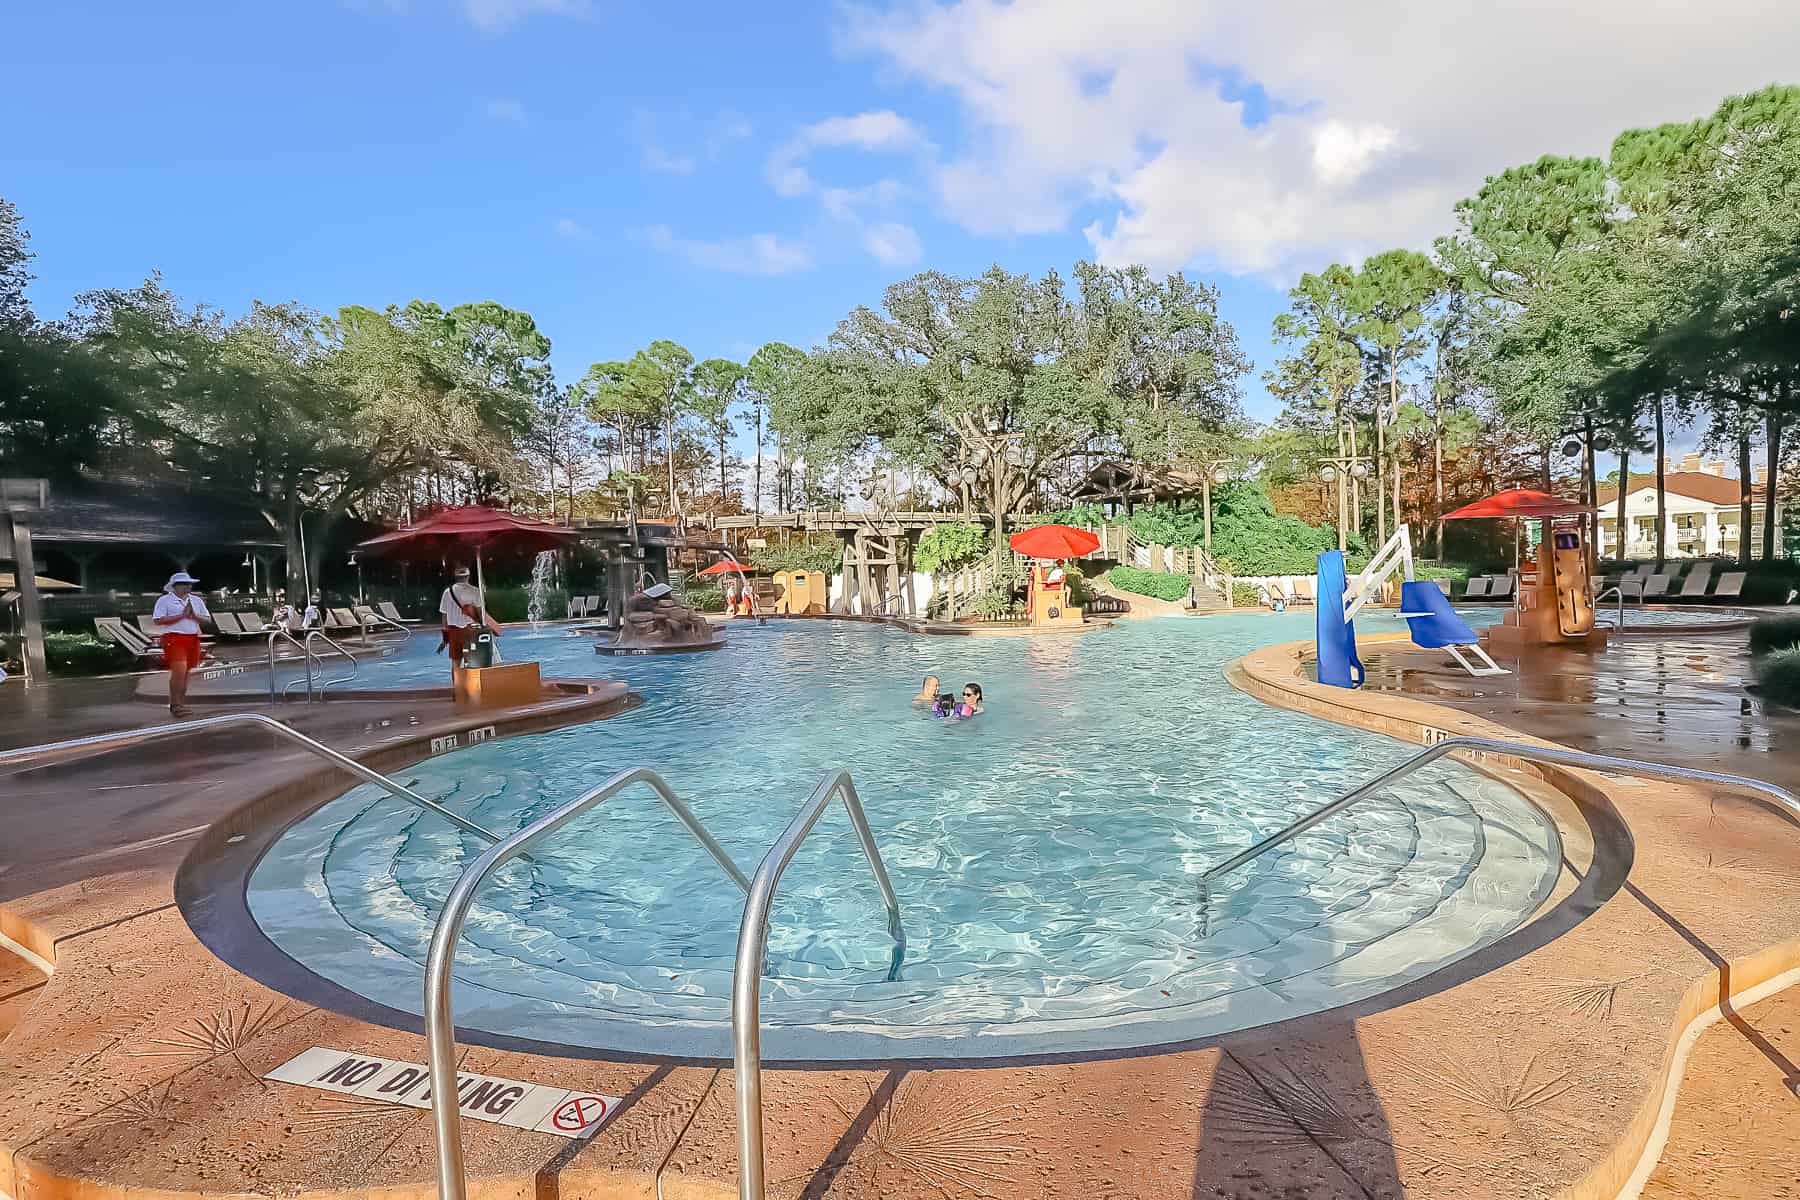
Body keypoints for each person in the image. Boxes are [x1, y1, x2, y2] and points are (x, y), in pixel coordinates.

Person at [152, 571, 210, 717]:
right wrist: (181, 615)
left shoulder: (196, 600)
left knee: (186, 673)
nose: (188, 586)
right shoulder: (164, 600)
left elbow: (207, 620)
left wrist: (193, 615)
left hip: (192, 638)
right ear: (175, 587)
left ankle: (181, 703)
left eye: (189, 584)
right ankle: (175, 704)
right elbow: (158, 620)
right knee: (178, 671)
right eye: (184, 584)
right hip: (174, 638)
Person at [438, 565, 502, 679]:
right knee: (474, 663)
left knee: (455, 664)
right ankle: (474, 687)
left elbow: (444, 617)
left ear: (455, 576)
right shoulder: (475, 591)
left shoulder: (447, 592)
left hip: (454, 632)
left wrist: (445, 639)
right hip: (471, 632)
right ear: (468, 576)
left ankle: (457, 689)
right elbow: (481, 615)